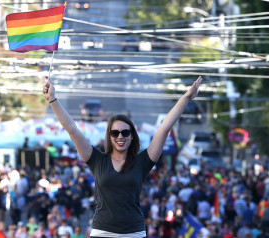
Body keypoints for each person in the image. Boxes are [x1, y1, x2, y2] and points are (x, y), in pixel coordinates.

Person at [42, 75, 203, 237]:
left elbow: (164, 128)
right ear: (109, 136)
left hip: (133, 232)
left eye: (125, 132)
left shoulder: (142, 161)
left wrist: (186, 98)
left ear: (132, 136)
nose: (120, 136)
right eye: (115, 133)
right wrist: (53, 100)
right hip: (102, 231)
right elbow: (72, 129)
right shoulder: (97, 160)